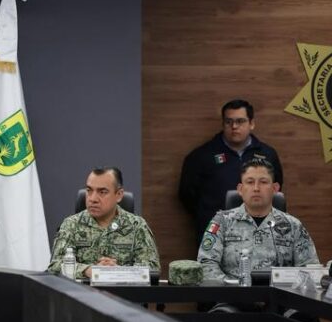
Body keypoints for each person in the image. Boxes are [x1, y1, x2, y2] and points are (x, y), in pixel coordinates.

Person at [178, 99, 284, 245]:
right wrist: (208, 215)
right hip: (215, 234)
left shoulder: (267, 154)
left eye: (240, 121)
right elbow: (187, 194)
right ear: (223, 124)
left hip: (258, 233)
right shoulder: (201, 156)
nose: (234, 126)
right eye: (229, 122)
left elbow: (276, 189)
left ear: (251, 123)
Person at [198, 159, 318, 280]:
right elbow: (206, 264)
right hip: (232, 291)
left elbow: (310, 269)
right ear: (240, 189)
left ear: (275, 188)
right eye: (250, 182)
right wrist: (230, 286)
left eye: (263, 182)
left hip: (279, 291)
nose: (256, 188)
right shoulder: (222, 222)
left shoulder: (293, 225)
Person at [49, 167, 159, 278]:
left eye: (102, 192)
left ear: (119, 195)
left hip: (123, 288)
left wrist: (119, 271)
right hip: (82, 288)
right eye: (89, 190)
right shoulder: (71, 224)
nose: (93, 199)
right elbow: (55, 266)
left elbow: (152, 269)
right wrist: (88, 270)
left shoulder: (137, 226)